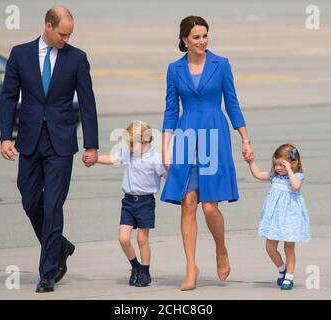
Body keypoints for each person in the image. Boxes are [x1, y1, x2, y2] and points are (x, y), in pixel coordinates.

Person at [0, 6, 99, 293]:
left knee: (54, 205)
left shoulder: (77, 58)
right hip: (29, 139)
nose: (65, 39)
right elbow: (8, 97)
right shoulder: (20, 54)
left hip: (61, 142)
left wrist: (91, 145)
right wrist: (6, 137)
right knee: (30, 201)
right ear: (48, 26)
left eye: (69, 34)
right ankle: (60, 246)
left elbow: (88, 103)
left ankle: (48, 272)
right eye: (62, 33)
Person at [161, 16, 254, 291]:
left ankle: (221, 249)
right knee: (188, 202)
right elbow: (170, 110)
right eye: (196, 37)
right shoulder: (174, 69)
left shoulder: (221, 64)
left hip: (215, 133)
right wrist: (166, 147)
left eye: (205, 36)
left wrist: (245, 139)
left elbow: (233, 104)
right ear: (184, 40)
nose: (202, 41)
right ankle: (191, 267)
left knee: (209, 205)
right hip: (186, 133)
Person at [96, 121, 165, 287]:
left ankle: (145, 272)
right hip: (128, 201)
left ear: (147, 141)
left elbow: (166, 176)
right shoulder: (129, 152)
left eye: (134, 143)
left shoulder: (155, 158)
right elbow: (113, 158)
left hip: (145, 202)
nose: (131, 147)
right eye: (129, 143)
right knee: (123, 238)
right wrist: (95, 159)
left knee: (142, 239)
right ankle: (135, 266)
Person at [246, 144, 310, 290]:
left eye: (282, 165)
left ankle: (289, 277)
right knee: (270, 247)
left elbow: (296, 186)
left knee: (289, 247)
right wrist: (251, 162)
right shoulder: (274, 176)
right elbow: (258, 174)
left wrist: (289, 170)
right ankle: (282, 269)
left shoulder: (297, 176)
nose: (278, 168)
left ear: (292, 163)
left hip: (290, 217)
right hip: (274, 218)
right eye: (276, 165)